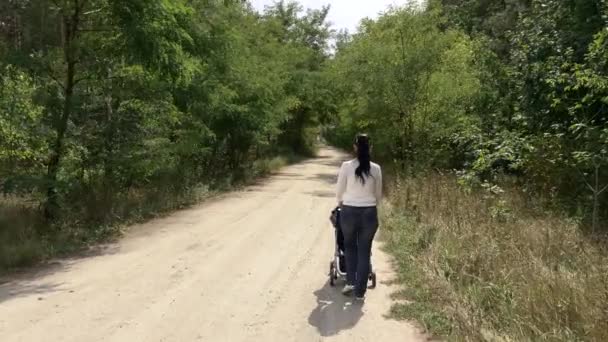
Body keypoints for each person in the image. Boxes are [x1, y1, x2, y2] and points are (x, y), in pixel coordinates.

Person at [336, 134, 382, 300]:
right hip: (369, 212)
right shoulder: (376, 169)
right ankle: (360, 292)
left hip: (349, 211)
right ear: (370, 147)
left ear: (355, 147)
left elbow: (340, 191)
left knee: (349, 247)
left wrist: (342, 202)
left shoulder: (346, 166)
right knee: (364, 250)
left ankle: (351, 282)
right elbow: (378, 195)